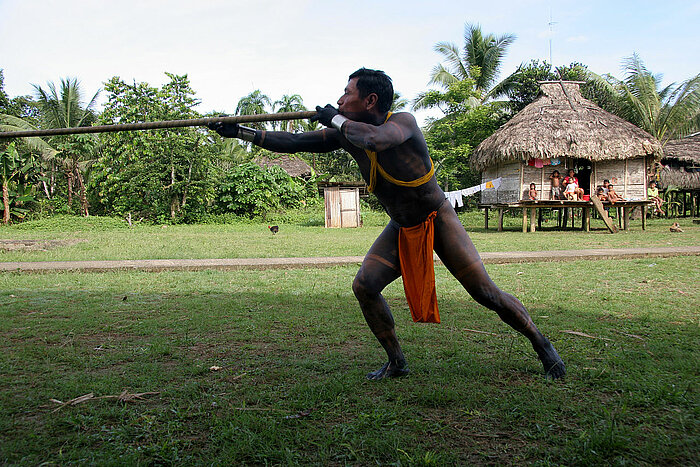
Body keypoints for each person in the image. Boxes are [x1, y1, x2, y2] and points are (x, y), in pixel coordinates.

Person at [208, 68, 565, 380]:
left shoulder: (402, 124)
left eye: (347, 94)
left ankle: (542, 345)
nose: (340, 99)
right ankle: (396, 361)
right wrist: (240, 132)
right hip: (400, 226)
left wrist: (335, 118)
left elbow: (374, 140)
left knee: (485, 293)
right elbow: (295, 142)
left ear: (370, 100)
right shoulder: (346, 132)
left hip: (437, 218)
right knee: (365, 285)